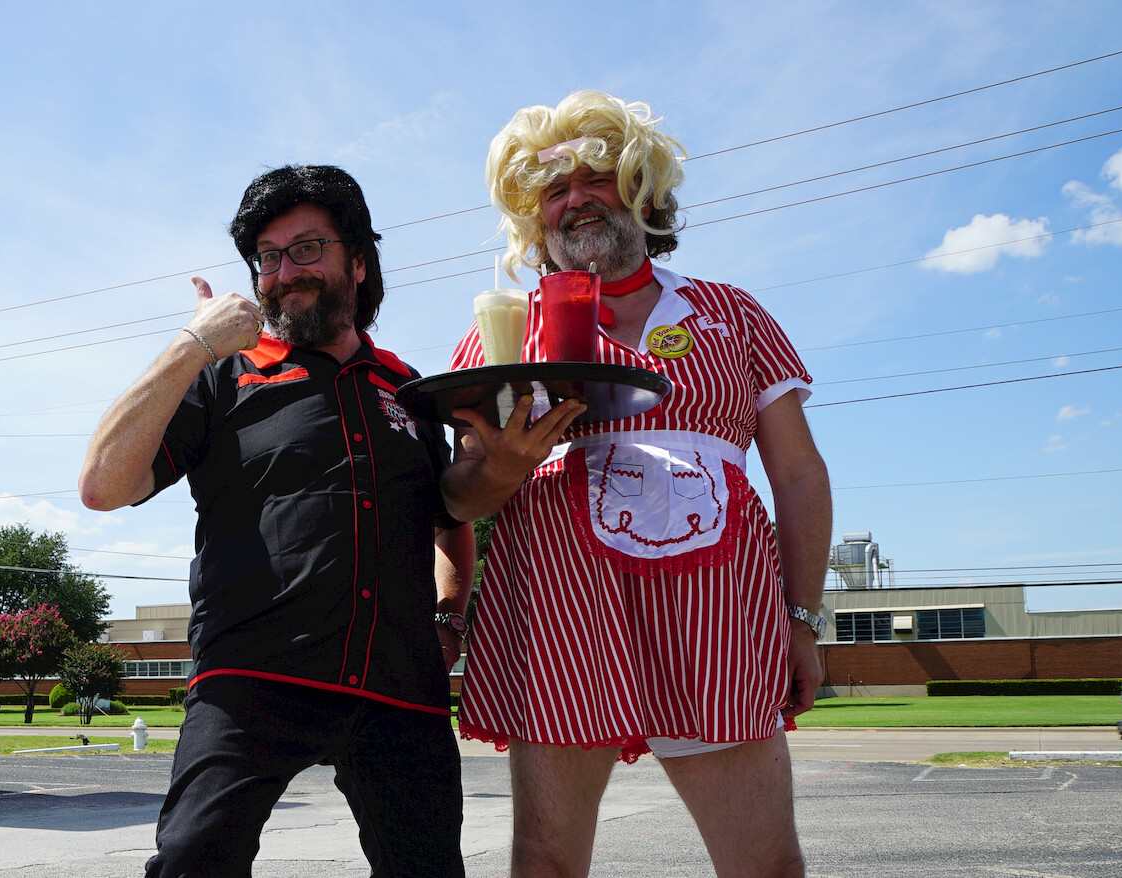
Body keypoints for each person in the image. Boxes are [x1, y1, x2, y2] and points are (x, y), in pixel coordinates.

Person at [78, 164, 580, 878]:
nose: (285, 272)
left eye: (307, 248)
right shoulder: (224, 374)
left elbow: (450, 514)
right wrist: (192, 344)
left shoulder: (408, 388)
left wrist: (450, 613)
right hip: (252, 677)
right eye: (268, 258)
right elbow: (102, 485)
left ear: (359, 261)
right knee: (193, 860)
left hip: (397, 684)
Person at [447, 91, 834, 878]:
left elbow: (798, 473)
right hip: (560, 615)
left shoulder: (732, 313)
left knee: (767, 866)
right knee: (546, 864)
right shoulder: (502, 330)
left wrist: (800, 619)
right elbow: (456, 497)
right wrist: (504, 467)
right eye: (555, 189)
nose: (576, 199)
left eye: (597, 178)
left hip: (718, 615)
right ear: (535, 220)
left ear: (645, 196)